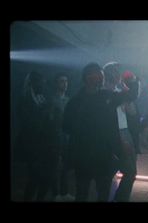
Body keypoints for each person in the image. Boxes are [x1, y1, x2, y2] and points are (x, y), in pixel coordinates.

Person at [63, 62, 139, 202]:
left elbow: (66, 127)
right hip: (95, 154)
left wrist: (132, 80)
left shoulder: (81, 100)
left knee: (89, 192)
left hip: (92, 154)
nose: (103, 78)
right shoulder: (103, 98)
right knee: (93, 192)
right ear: (90, 77)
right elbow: (67, 126)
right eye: (100, 75)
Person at [103, 62, 141, 202]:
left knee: (129, 172)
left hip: (125, 133)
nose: (119, 74)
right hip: (114, 134)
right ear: (109, 74)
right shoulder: (104, 93)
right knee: (111, 173)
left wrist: (125, 90)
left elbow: (132, 111)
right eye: (116, 71)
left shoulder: (120, 93)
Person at [16, 71, 55, 201]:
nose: (43, 85)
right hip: (31, 144)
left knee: (45, 178)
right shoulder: (25, 99)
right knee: (34, 177)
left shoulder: (43, 98)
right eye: (40, 82)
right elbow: (27, 122)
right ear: (33, 83)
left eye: (43, 82)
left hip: (45, 144)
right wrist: (44, 111)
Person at [49, 72, 75, 202]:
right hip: (56, 136)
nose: (64, 84)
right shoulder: (52, 100)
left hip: (67, 136)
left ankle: (64, 192)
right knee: (55, 165)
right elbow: (50, 119)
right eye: (61, 81)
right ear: (56, 83)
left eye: (66, 81)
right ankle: (55, 193)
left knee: (65, 165)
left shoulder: (68, 99)